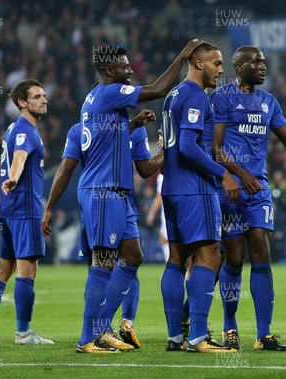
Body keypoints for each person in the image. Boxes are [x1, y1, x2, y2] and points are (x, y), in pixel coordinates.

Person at [76, 41, 201, 353]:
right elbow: (158, 89)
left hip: (117, 193)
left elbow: (113, 138)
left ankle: (102, 328)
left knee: (133, 255)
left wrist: (134, 123)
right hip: (104, 191)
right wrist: (183, 56)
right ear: (108, 70)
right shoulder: (108, 92)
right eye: (124, 65)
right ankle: (88, 337)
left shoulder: (98, 99)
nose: (130, 69)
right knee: (104, 261)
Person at [210, 45, 286, 351]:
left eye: (264, 61)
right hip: (232, 190)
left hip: (258, 190)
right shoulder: (222, 98)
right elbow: (216, 150)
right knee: (233, 260)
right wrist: (240, 175)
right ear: (239, 66)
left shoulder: (269, 102)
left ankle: (264, 335)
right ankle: (229, 328)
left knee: (262, 253)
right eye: (256, 61)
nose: (263, 66)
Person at [41, 110, 157, 353]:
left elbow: (145, 169)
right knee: (100, 264)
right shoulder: (81, 129)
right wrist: (50, 205)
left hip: (122, 201)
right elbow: (65, 168)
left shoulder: (131, 128)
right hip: (99, 199)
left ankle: (103, 327)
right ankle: (93, 334)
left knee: (132, 256)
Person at [160, 42, 240, 353]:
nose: (221, 70)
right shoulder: (195, 97)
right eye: (216, 63)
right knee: (210, 256)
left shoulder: (173, 95)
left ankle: (174, 336)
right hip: (195, 188)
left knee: (177, 259)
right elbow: (189, 147)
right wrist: (223, 174)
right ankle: (198, 336)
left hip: (172, 188)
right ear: (197, 62)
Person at [0, 79, 54, 345]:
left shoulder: (13, 129)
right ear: (22, 102)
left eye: (44, 95)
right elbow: (18, 158)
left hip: (8, 210)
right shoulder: (26, 132)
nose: (44, 100)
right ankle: (23, 333)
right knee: (27, 269)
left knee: (3, 268)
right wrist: (14, 178)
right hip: (24, 210)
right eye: (37, 97)